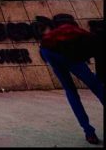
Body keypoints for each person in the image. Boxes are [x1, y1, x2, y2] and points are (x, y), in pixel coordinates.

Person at [39, 14, 104, 145]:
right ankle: (89, 132)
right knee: (98, 88)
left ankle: (89, 132)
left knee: (70, 90)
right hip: (72, 57)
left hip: (49, 51)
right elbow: (99, 58)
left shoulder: (51, 35)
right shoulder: (85, 35)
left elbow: (43, 51)